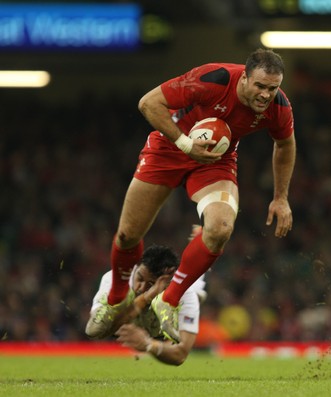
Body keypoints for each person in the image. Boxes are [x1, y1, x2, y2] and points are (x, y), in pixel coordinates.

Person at [86, 48, 296, 342]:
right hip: (168, 149)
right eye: (260, 86)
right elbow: (148, 103)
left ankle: (168, 300)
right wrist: (185, 143)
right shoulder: (214, 79)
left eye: (272, 89)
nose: (265, 95)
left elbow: (285, 145)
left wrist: (281, 197)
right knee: (127, 235)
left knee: (221, 227)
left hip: (215, 162)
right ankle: (116, 297)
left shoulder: (279, 107)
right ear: (245, 78)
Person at [86, 227, 206, 366]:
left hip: (177, 301)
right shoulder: (115, 280)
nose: (141, 288)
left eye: (151, 284)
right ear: (135, 268)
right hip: (141, 317)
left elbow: (180, 355)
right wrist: (146, 297)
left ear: (167, 283)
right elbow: (98, 331)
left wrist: (149, 345)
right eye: (140, 278)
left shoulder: (186, 295)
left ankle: (200, 245)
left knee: (194, 289)